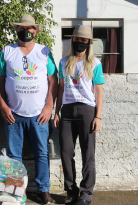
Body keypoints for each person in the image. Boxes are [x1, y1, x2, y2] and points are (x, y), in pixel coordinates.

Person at [0, 14, 58, 204]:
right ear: (16, 30)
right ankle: (15, 191)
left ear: (36, 30)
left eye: (30, 28)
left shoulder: (44, 52)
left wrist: (49, 106)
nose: (26, 31)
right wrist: (3, 105)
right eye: (22, 28)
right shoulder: (7, 51)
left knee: (41, 152)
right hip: (13, 113)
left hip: (39, 114)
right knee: (14, 155)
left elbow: (53, 80)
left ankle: (43, 190)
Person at [53, 25, 105, 205]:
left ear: (89, 43)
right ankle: (71, 190)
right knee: (66, 152)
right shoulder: (63, 62)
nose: (80, 43)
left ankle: (86, 194)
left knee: (87, 153)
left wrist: (98, 116)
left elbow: (98, 91)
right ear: (72, 40)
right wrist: (56, 112)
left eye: (84, 40)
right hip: (67, 111)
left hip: (87, 111)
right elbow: (60, 89)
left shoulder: (95, 64)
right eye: (78, 39)